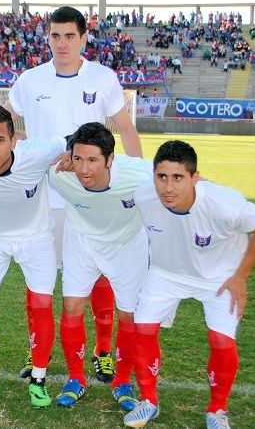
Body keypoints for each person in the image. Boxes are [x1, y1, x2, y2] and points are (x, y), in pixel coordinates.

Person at [4, 6, 143, 382]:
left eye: (69, 35)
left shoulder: (103, 78)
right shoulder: (30, 80)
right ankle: (40, 356)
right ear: (47, 37)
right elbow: (3, 124)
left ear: (84, 38)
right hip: (41, 197)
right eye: (55, 35)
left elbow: (126, 131)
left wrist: (140, 182)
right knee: (41, 280)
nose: (61, 43)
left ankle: (101, 352)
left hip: (90, 195)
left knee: (95, 277)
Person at [124, 141, 255, 429]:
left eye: (178, 177)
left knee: (221, 341)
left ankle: (217, 411)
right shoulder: (144, 197)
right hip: (166, 273)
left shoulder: (224, 204)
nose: (168, 187)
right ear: (153, 175)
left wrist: (240, 276)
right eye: (162, 177)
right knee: (141, 330)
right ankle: (148, 402)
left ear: (195, 178)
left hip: (219, 277)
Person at [0, 105, 69, 407]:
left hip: (36, 238)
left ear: (14, 139)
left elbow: (71, 139)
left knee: (42, 304)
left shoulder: (37, 152)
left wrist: (75, 152)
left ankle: (39, 381)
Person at [47, 123, 152, 410]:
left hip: (127, 245)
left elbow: (182, 178)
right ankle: (75, 379)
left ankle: (123, 382)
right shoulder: (59, 173)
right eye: (78, 159)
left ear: (109, 159)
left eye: (92, 160)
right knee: (72, 308)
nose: (83, 169)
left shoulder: (138, 173)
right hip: (82, 241)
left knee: (129, 315)